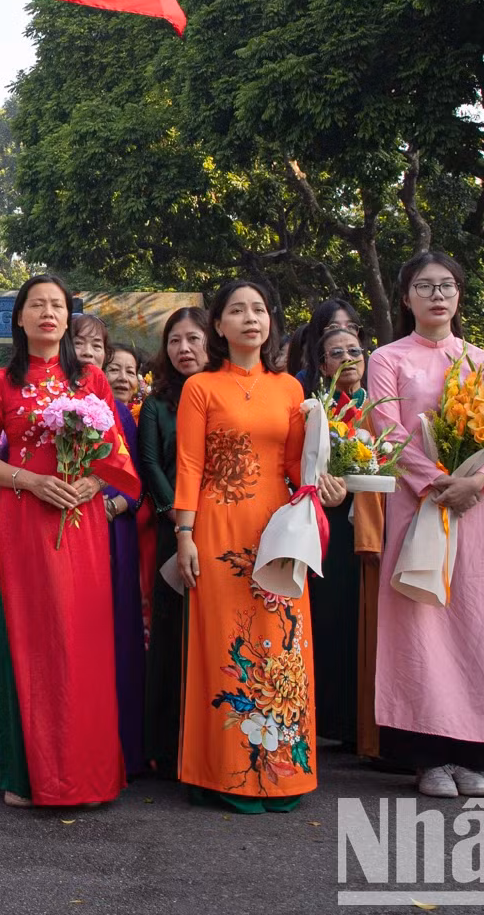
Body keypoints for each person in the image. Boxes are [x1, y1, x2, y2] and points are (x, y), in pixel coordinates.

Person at [370, 252, 484, 799]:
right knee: (420, 626)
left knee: (479, 625)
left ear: (460, 295)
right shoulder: (387, 358)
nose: (437, 294)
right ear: (406, 298)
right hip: (420, 504)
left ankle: (475, 754)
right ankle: (428, 758)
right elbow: (386, 430)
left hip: (477, 509)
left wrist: (479, 482)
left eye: (446, 285)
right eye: (424, 286)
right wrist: (437, 482)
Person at [0, 275, 137, 809]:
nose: (47, 313)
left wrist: (94, 481)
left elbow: (115, 453)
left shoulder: (91, 379)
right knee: (31, 640)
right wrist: (31, 480)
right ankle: (28, 776)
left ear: (68, 318)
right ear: (18, 318)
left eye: (57, 305)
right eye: (36, 304)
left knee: (82, 642)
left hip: (82, 524)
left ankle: (88, 776)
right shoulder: (1, 382)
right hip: (25, 525)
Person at [173, 277, 321, 813]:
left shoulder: (291, 390)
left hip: (278, 528)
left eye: (258, 309)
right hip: (217, 528)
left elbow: (296, 467)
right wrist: (184, 534)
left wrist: (327, 479)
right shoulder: (202, 387)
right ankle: (227, 771)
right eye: (236, 310)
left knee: (282, 644)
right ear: (219, 325)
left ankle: (281, 773)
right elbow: (189, 465)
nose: (249, 318)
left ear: (270, 322)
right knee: (225, 647)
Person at [139, 306, 209, 776]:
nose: (184, 349)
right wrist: (180, 517)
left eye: (193, 339)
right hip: (175, 531)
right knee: (174, 635)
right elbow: (150, 465)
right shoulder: (159, 403)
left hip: (226, 528)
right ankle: (168, 748)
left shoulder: (227, 392)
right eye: (175, 341)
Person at [307, 323, 382, 758]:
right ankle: (327, 718)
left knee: (367, 624)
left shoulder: (383, 408)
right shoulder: (316, 410)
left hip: (369, 523)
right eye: (337, 353)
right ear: (322, 366)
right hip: (328, 519)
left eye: (355, 350)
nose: (349, 359)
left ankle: (363, 725)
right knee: (329, 617)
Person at [98, 341, 147, 775]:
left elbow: (140, 479)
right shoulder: (88, 407)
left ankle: (128, 749)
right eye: (114, 368)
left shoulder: (135, 419)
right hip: (83, 531)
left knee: (123, 633)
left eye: (130, 371)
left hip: (120, 532)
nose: (121, 377)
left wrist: (117, 506)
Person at [292, 299, 362, 394]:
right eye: (334, 327)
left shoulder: (374, 370)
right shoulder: (304, 380)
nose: (343, 332)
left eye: (350, 326)